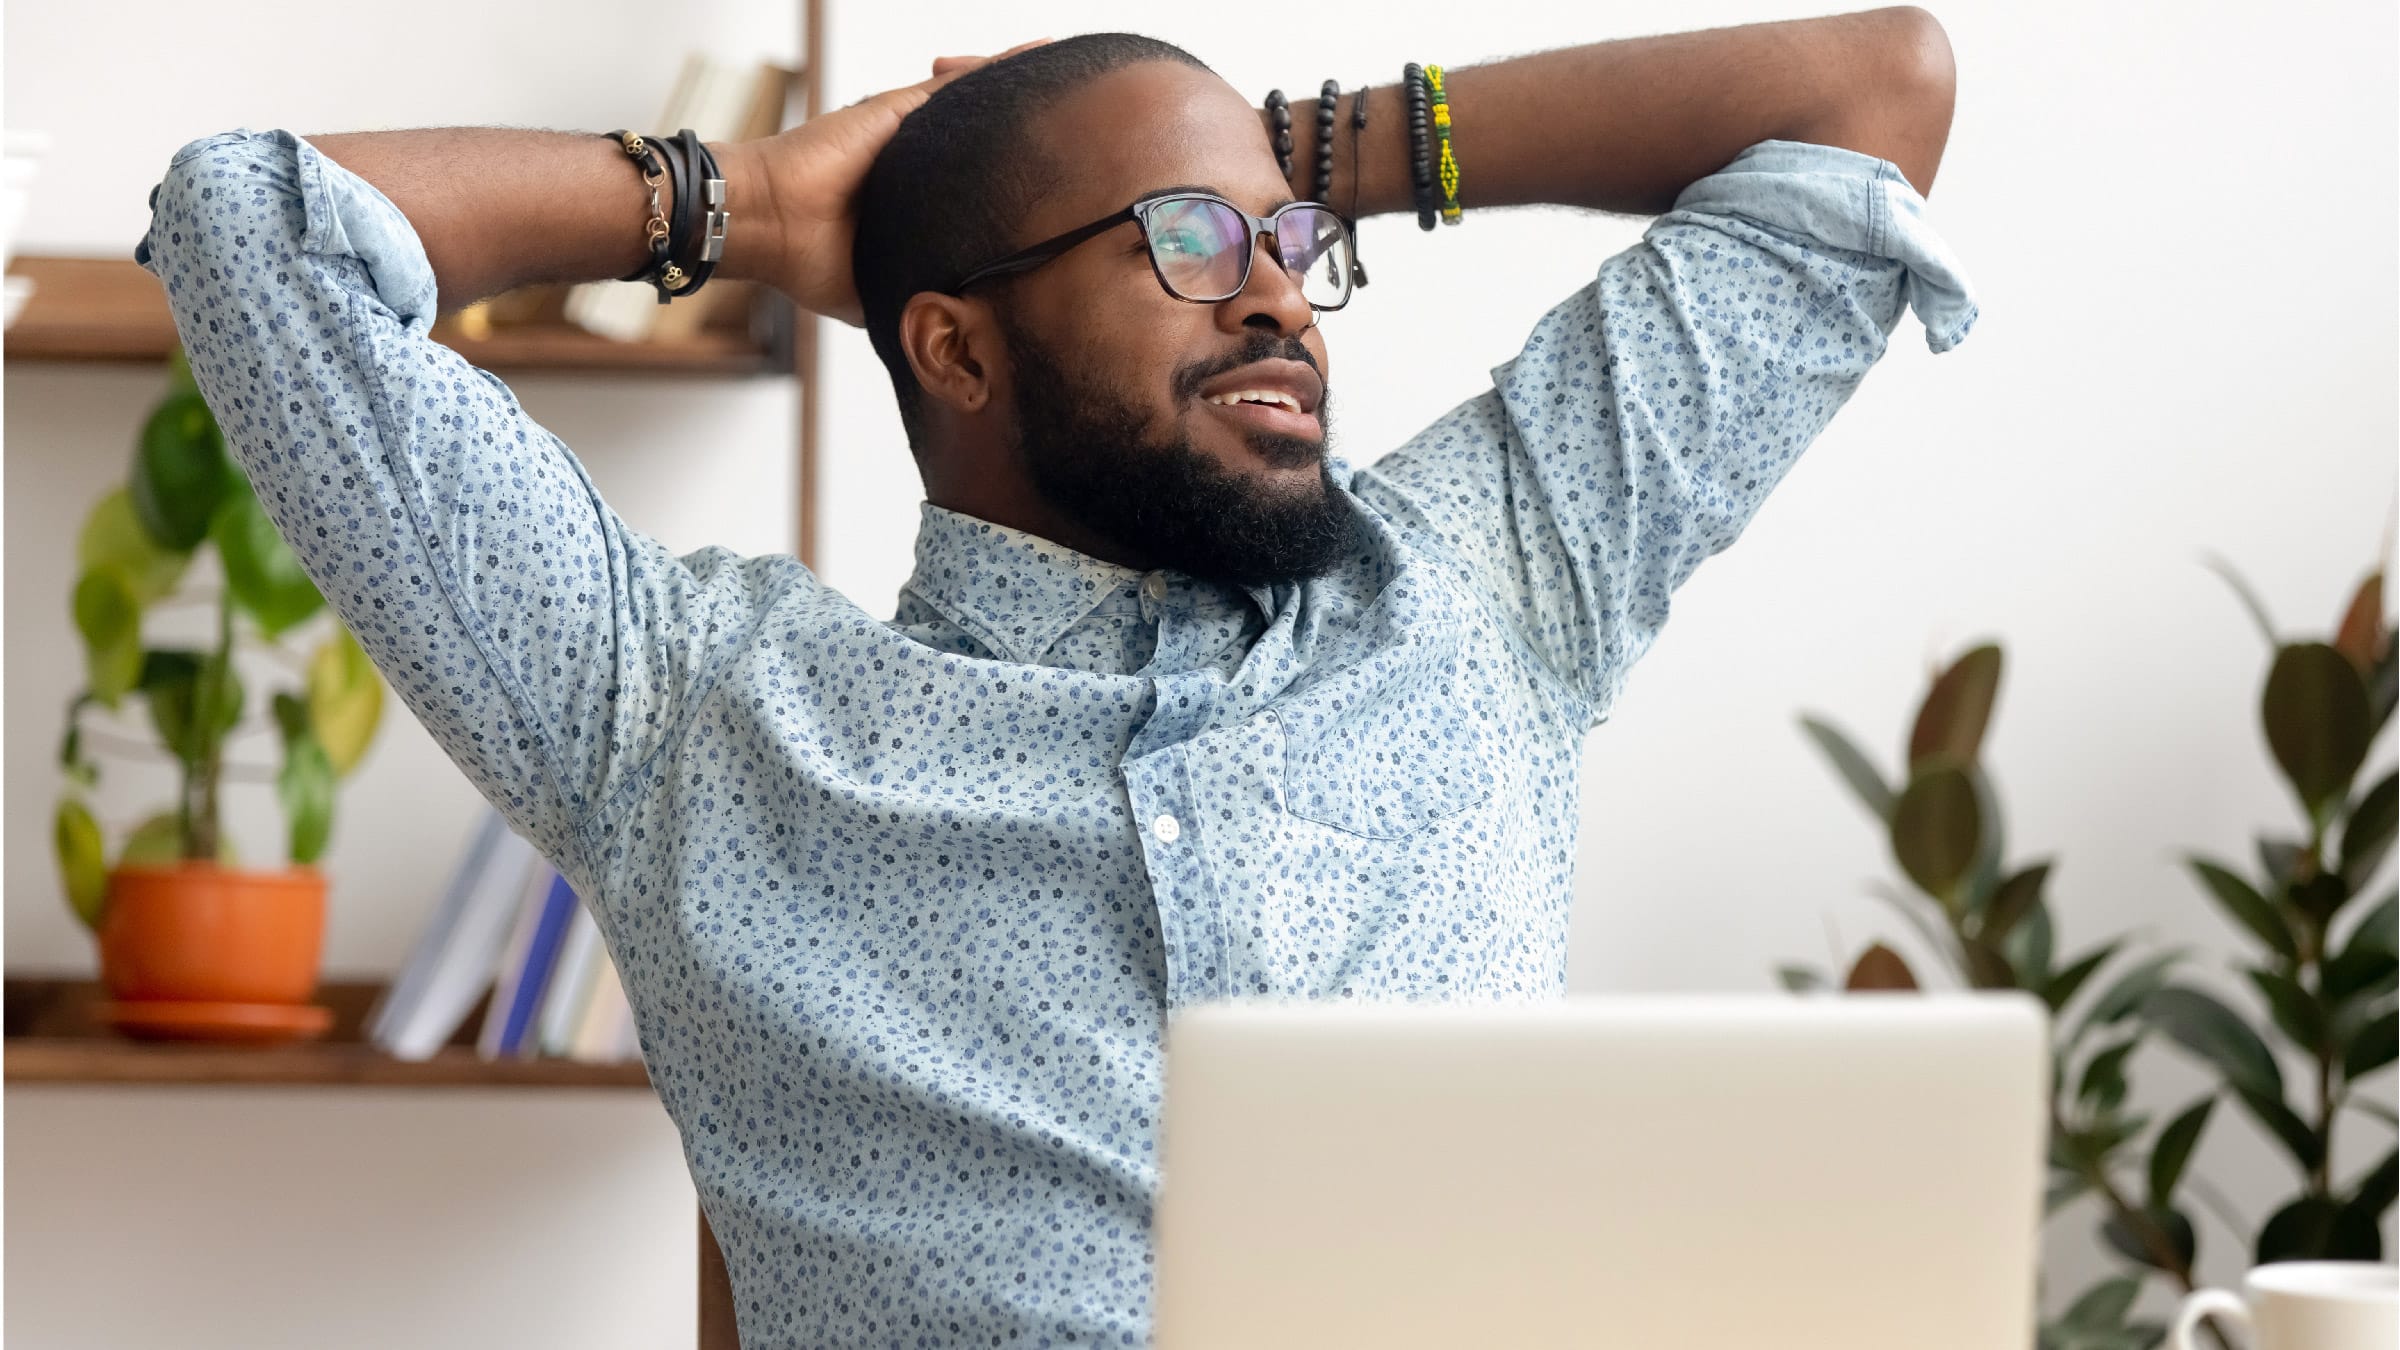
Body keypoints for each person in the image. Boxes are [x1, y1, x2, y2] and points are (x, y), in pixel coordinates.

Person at [134, 13, 1977, 1346]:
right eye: (1186, 244)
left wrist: (1303, 150)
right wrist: (758, 200)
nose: (1274, 298)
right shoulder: (691, 719)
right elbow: (251, 228)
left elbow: (1869, 91)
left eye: (1289, 248)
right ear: (951, 344)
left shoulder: (1489, 580)